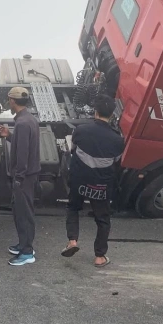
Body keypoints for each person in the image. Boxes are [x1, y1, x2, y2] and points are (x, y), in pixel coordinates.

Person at [62, 95, 124, 267]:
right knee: (102, 218)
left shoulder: (81, 130)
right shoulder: (118, 139)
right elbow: (116, 161)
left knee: (73, 208)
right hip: (101, 184)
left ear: (95, 112)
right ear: (112, 114)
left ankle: (72, 241)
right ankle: (99, 256)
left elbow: (73, 149)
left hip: (79, 180)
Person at [0, 87, 41, 266]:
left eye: (9, 99)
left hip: (24, 176)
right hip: (29, 174)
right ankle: (23, 245)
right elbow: (25, 144)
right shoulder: (29, 119)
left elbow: (23, 154)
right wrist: (9, 135)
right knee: (22, 211)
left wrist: (18, 178)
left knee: (23, 214)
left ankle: (27, 252)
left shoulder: (22, 123)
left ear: (12, 101)